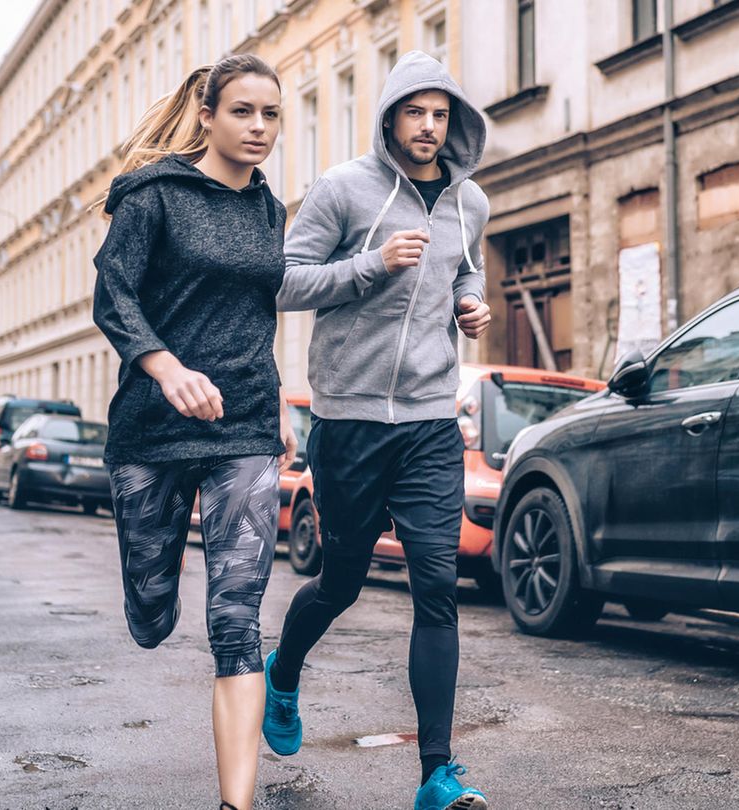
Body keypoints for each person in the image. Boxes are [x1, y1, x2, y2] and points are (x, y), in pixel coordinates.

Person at [262, 51, 493, 810]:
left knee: (437, 586)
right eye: (416, 112)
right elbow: (286, 281)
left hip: (429, 422)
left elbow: (467, 273)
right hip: (349, 420)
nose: (430, 127)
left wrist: (470, 305)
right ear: (391, 116)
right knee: (342, 580)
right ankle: (283, 674)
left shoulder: (472, 203)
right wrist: (370, 264)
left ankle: (437, 772)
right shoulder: (341, 190)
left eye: (442, 114)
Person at [91, 54, 296, 810]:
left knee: (237, 619)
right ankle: (152, 599)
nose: (259, 128)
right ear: (207, 114)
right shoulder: (154, 197)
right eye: (243, 111)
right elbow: (113, 296)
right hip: (151, 431)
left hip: (244, 423)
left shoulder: (269, 209)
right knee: (150, 610)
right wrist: (165, 368)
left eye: (271, 114)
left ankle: (234, 804)